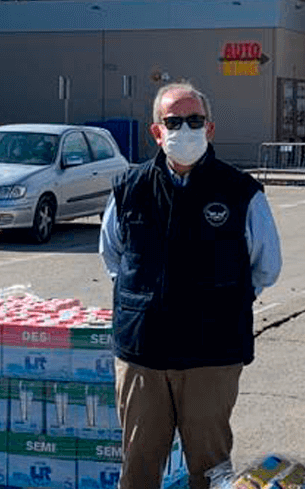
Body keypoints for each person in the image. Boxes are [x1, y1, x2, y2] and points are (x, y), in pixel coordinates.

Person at [99, 81, 283, 489]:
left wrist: (224, 303)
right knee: (139, 465)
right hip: (143, 354)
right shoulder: (130, 189)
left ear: (210, 128)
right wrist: (145, 301)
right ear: (156, 132)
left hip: (211, 355)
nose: (185, 129)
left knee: (210, 468)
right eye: (174, 121)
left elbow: (266, 267)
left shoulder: (240, 192)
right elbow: (113, 256)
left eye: (195, 121)